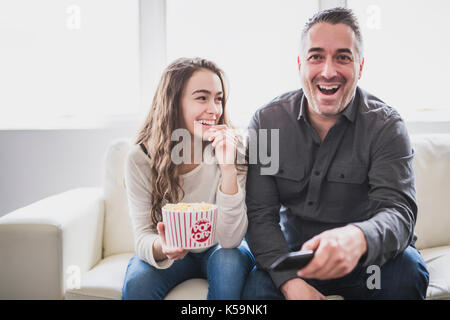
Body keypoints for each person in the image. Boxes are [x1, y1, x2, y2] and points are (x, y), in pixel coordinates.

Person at [242, 7, 429, 300]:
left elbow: (398, 212)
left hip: (367, 265)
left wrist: (358, 238)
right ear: (300, 64)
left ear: (360, 66)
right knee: (256, 291)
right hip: (296, 264)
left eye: (343, 57)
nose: (328, 71)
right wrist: (291, 284)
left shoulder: (386, 126)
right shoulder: (267, 124)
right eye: (316, 56)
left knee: (406, 273)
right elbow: (260, 217)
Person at [122, 57, 254, 300]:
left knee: (228, 265)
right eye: (202, 98)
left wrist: (228, 168)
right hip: (172, 254)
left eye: (219, 99)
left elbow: (230, 238)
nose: (214, 109)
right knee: (137, 284)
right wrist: (165, 248)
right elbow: (142, 237)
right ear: (174, 102)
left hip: (221, 249)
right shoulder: (140, 158)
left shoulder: (234, 149)